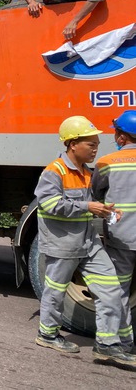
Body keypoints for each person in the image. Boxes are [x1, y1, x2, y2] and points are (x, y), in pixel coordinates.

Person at [33, 115, 136, 369]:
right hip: (63, 244)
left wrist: (106, 210)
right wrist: (87, 206)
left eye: (97, 144)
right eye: (91, 144)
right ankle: (47, 334)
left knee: (111, 288)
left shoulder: (88, 173)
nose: (96, 149)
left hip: (89, 243)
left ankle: (107, 345)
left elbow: (90, 207)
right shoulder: (54, 171)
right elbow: (48, 204)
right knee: (56, 290)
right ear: (72, 144)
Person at [92, 110, 136, 355]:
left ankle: (125, 343)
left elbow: (96, 195)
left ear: (121, 137)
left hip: (122, 237)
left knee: (119, 291)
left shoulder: (107, 163)